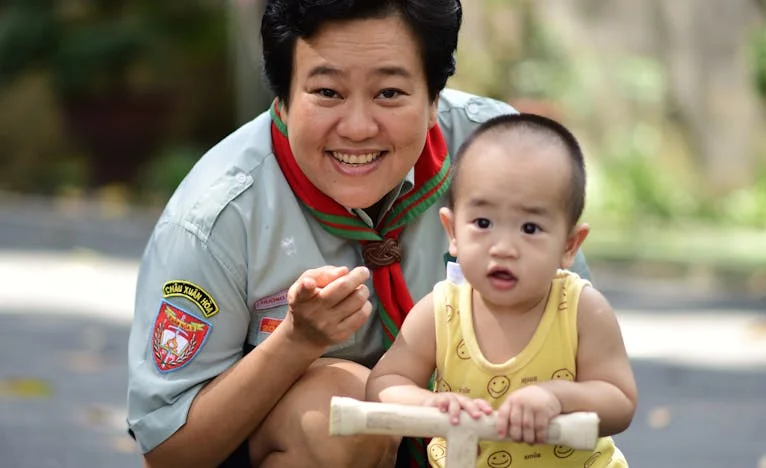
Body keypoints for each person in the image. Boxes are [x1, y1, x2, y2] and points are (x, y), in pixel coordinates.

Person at [125, 1, 592, 467]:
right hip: (298, 452)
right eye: (327, 92)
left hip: (483, 444)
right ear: (283, 99)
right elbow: (169, 452)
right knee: (344, 409)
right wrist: (295, 342)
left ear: (434, 99)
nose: (357, 128)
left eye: (389, 93)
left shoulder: (506, 157)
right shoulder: (217, 215)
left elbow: (582, 360)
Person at [366, 113, 637, 467]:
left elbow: (619, 400)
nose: (504, 248)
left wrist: (557, 398)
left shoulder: (581, 309)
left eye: (530, 228)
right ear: (453, 232)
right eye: (483, 223)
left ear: (570, 245)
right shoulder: (441, 311)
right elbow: (384, 383)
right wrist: (430, 404)